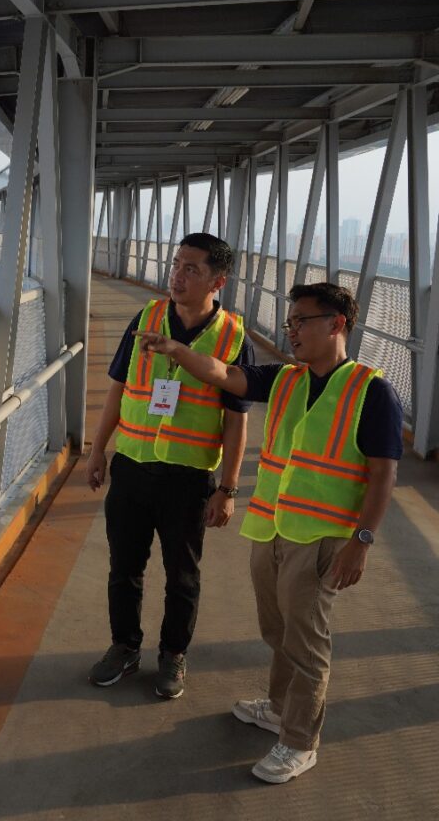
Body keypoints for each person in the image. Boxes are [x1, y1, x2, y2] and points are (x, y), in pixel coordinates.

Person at [134, 281, 402, 783]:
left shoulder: (371, 390)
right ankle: (280, 708)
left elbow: (384, 472)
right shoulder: (286, 380)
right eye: (289, 322)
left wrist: (360, 543)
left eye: (301, 321)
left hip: (321, 539)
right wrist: (176, 349)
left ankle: (300, 742)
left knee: (306, 643)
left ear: (336, 324)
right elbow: (225, 374)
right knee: (277, 630)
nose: (291, 331)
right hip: (273, 529)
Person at [86, 232, 252, 700]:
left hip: (188, 477)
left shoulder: (233, 338)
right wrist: (99, 450)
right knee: (124, 568)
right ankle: (124, 646)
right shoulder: (146, 318)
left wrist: (229, 488)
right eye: (176, 264)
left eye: (191, 269)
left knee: (182, 575)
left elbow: (236, 422)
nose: (177, 275)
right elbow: (118, 388)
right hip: (133, 467)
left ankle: (173, 654)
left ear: (217, 280)